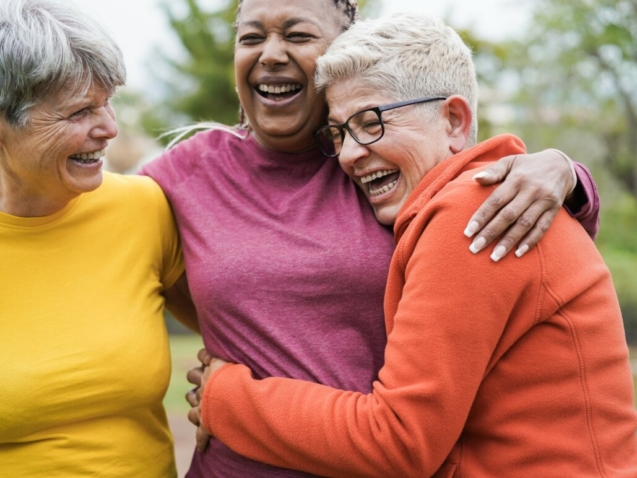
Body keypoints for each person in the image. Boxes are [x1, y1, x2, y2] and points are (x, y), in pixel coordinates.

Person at [142, 0, 600, 476]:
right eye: (251, 38)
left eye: (297, 36)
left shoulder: (387, 163)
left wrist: (566, 174)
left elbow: (515, 241)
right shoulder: (189, 173)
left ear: (339, 52)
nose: (271, 54)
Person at [0, 1, 197, 476]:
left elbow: (242, 334)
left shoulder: (144, 208)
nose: (109, 128)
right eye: (79, 111)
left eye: (109, 101)